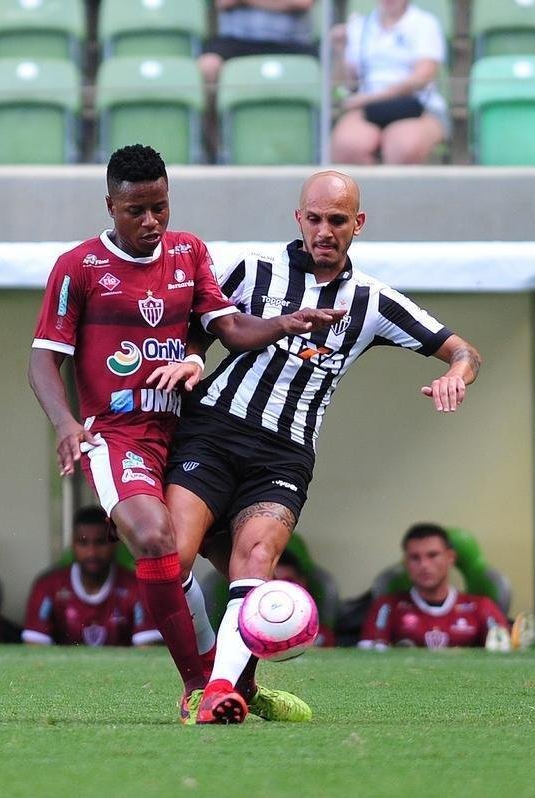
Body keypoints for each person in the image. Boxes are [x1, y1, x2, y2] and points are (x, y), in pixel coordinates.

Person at [153, 170, 481, 723]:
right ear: (298, 218)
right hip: (212, 433)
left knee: (254, 560)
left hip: (284, 455)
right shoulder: (251, 268)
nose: (325, 231)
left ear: (359, 223)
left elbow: (463, 349)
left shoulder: (372, 300)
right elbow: (201, 322)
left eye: (338, 220)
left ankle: (218, 695)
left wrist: (458, 374)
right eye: (315, 218)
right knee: (175, 556)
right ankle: (213, 675)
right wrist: (190, 354)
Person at [28, 144, 343, 721]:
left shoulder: (188, 252)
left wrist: (283, 323)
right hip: (116, 435)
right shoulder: (78, 267)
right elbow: (43, 360)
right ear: (110, 205)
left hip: (188, 434)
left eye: (160, 207)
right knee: (156, 541)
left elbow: (229, 329)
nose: (151, 222)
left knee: (245, 568)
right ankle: (200, 685)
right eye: (136, 211)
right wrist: (67, 422)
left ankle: (237, 687)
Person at [22, 506, 162, 647]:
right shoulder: (48, 586)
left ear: (115, 543)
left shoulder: (136, 587)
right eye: (83, 543)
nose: (92, 552)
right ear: (73, 544)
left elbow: (147, 648)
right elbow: (34, 646)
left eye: (100, 542)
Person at [330, 0, 448, 165]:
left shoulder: (424, 22)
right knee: (347, 147)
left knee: (403, 148)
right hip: (368, 109)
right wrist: (340, 49)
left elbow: (423, 77)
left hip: (417, 107)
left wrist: (372, 98)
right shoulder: (359, 26)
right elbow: (348, 84)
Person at [358, 524, 508, 649]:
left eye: (433, 555)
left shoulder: (481, 606)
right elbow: (369, 659)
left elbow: (504, 656)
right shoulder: (387, 607)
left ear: (450, 558)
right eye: (415, 558)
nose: (424, 565)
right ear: (406, 562)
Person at [198, 1, 317, 90]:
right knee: (208, 65)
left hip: (291, 42)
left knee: (326, 67)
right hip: (237, 41)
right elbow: (224, 2)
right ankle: (213, 123)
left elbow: (302, 2)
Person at [272, 549, 334, 648]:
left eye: (288, 581)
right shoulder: (250, 632)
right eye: (274, 582)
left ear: (302, 582)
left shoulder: (321, 635)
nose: (281, 590)